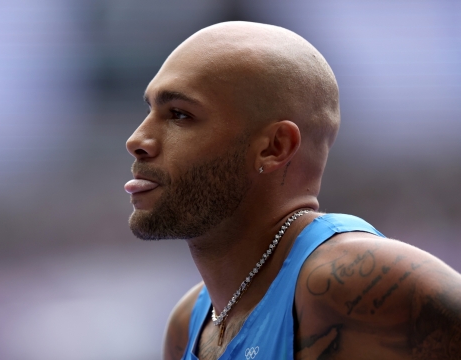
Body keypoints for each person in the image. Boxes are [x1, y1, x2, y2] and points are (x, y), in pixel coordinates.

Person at [123, 21, 461, 360]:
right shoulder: (188, 325)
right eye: (150, 110)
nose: (137, 140)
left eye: (179, 115)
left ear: (275, 147)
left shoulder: (358, 284)